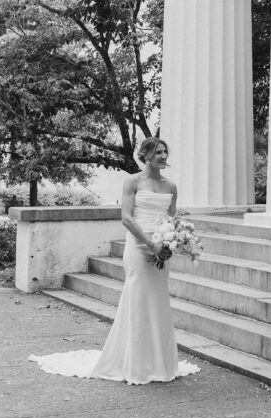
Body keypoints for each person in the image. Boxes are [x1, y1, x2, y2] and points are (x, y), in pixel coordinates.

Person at [29, 137, 200, 384]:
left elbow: (172, 218)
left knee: (159, 300)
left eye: (165, 152)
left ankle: (160, 363)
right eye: (159, 152)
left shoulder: (171, 186)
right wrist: (150, 244)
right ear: (146, 155)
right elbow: (127, 218)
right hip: (139, 248)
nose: (164, 156)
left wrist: (172, 243)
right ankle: (135, 363)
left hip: (162, 248)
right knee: (138, 299)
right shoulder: (132, 181)